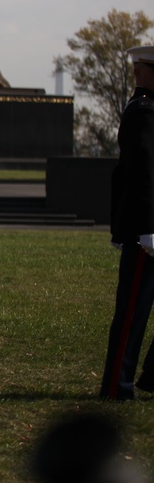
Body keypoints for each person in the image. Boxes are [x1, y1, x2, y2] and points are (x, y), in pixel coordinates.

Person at [100, 44, 154, 401]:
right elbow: (139, 173)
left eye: (141, 68)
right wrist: (141, 227)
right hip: (147, 229)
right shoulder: (143, 110)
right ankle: (118, 384)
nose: (136, 74)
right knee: (133, 311)